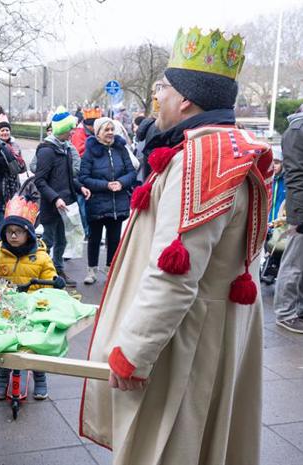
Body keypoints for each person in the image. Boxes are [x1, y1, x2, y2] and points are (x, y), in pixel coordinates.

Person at [80, 29, 272, 464]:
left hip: (187, 342)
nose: (156, 96)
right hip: (213, 329)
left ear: (186, 98)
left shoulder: (199, 160)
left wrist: (134, 351)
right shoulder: (227, 147)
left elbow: (175, 273)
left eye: (162, 87)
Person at [0, 196, 65, 400]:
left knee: (35, 344)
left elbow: (50, 278)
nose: (13, 235)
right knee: (4, 345)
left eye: (18, 231)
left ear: (29, 233)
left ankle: (40, 377)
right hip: (6, 307)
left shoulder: (40, 256)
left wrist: (55, 282)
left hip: (33, 308)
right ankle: (2, 377)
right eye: (9, 231)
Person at [34, 107, 91, 286]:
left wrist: (80, 188)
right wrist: (55, 198)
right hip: (52, 206)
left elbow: (68, 177)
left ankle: (57, 270)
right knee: (48, 240)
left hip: (66, 205)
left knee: (62, 240)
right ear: (62, 129)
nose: (73, 132)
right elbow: (40, 180)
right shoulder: (46, 151)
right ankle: (40, 272)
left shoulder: (65, 149)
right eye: (70, 129)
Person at [79, 117, 137, 284]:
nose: (111, 132)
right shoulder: (90, 152)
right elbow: (84, 177)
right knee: (94, 239)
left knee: (114, 239)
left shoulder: (121, 149)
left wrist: (121, 183)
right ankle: (91, 271)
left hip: (117, 203)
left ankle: (110, 269)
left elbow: (131, 172)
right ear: (98, 133)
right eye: (107, 130)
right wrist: (106, 185)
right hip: (97, 202)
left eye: (112, 129)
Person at [274, 103, 303, 332]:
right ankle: (286, 312)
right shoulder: (297, 130)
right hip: (300, 209)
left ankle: (295, 309)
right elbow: (295, 175)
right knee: (294, 262)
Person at [0, 115, 27, 204]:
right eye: (2, 130)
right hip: (1, 184)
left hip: (14, 183)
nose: (5, 132)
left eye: (7, 130)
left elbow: (21, 168)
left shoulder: (15, 145)